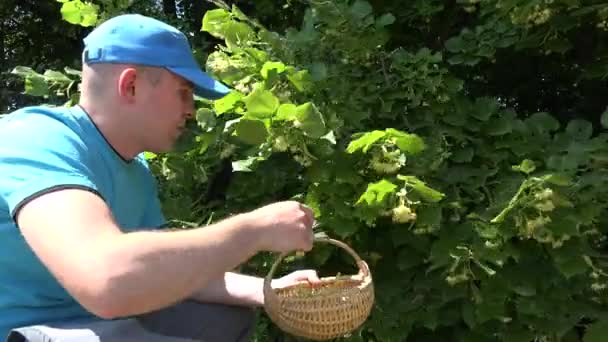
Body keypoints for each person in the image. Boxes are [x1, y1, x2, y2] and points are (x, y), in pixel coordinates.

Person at [0, 13, 320, 341]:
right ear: (131, 85)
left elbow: (167, 272)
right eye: (183, 91)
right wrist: (253, 231)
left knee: (222, 318)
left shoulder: (136, 170)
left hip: (95, 328)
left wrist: (270, 289)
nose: (191, 109)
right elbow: (107, 279)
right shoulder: (37, 139)